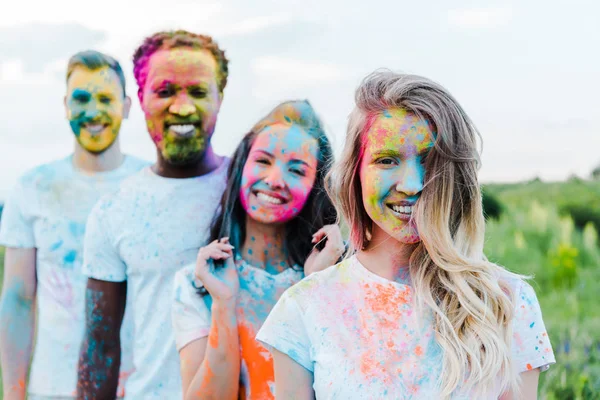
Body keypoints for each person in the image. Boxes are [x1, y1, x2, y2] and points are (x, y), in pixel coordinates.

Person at [257, 71, 556, 399]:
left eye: (431, 161)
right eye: (387, 160)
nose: (412, 184)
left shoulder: (506, 302)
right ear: (355, 172)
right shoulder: (305, 306)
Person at [77, 31, 230, 399]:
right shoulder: (114, 210)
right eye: (165, 91)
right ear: (141, 100)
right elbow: (100, 348)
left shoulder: (256, 192)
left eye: (197, 92)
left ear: (219, 99)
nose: (181, 107)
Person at [171, 100, 344, 399]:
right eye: (263, 161)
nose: (275, 180)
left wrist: (315, 286)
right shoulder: (196, 282)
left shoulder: (334, 276)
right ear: (241, 166)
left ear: (316, 185)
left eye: (296, 170)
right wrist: (224, 304)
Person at [0, 50, 147, 400]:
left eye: (105, 99)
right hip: (52, 389)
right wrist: (13, 391)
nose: (93, 111)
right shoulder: (33, 186)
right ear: (66, 105)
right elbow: (18, 299)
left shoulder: (150, 185)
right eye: (81, 99)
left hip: (140, 387)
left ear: (126, 106)